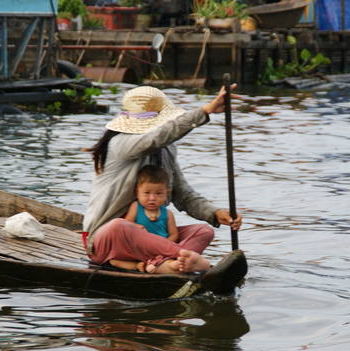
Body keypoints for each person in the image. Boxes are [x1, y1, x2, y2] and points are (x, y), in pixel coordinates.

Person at [83, 85, 242, 275]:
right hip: (109, 242)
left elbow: (181, 192)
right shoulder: (120, 144)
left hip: (152, 240)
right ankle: (185, 257)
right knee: (118, 226)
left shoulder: (167, 149)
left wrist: (215, 213)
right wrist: (205, 111)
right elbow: (156, 138)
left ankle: (169, 265)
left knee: (204, 231)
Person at [109, 165, 180, 273]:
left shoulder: (168, 214)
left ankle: (160, 263)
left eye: (159, 193)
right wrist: (138, 227)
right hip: (140, 249)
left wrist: (165, 245)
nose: (152, 198)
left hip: (160, 251)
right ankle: (137, 265)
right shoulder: (136, 207)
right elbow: (127, 223)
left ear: (167, 194)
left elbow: (174, 234)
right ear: (137, 193)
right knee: (113, 260)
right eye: (147, 193)